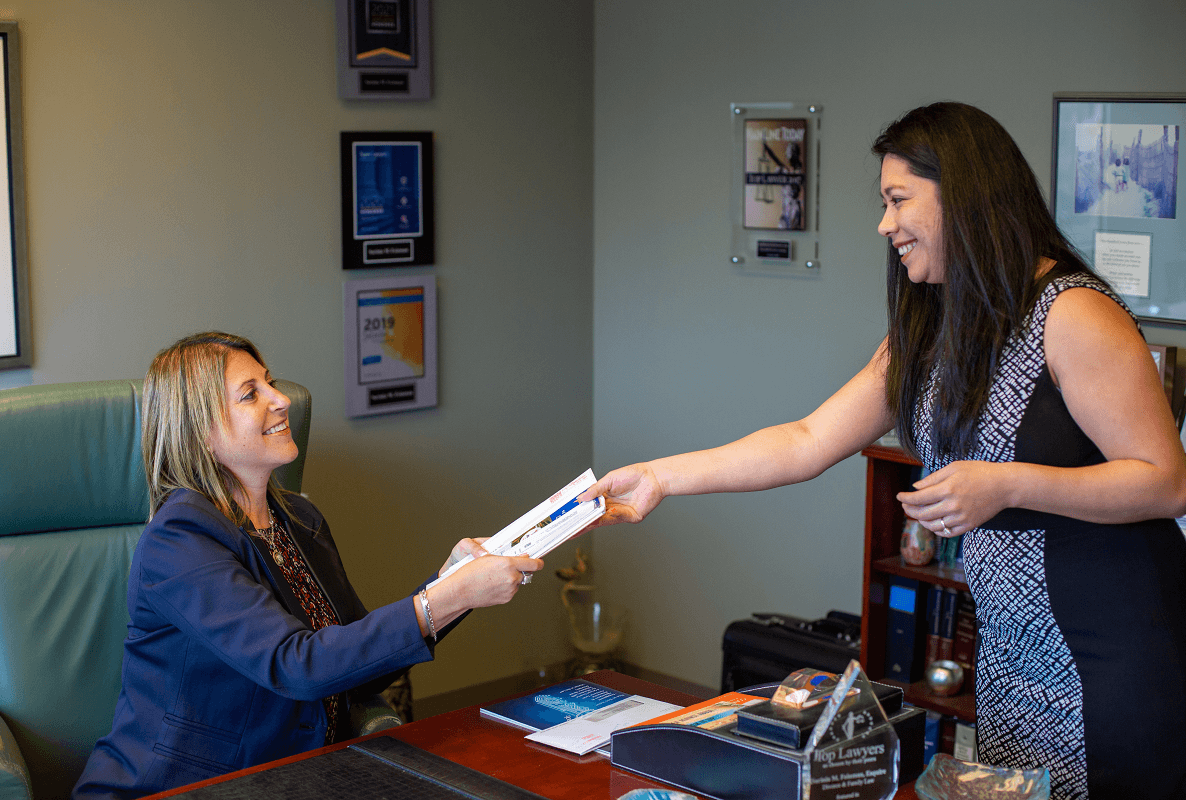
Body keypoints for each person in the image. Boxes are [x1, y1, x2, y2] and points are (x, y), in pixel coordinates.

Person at [580, 103, 1186, 800]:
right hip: (1012, 659)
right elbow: (807, 440)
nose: (885, 225)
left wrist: (1009, 485)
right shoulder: (930, 330)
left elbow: (1167, 482)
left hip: (1111, 655)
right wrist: (659, 477)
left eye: (898, 200)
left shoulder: (1074, 313)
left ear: (963, 195)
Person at [74, 332, 543, 799]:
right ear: (201, 431)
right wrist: (451, 595)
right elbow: (295, 664)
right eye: (251, 394)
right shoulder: (179, 539)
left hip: (297, 776)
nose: (281, 401)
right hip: (182, 788)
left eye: (270, 383)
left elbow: (361, 664)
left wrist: (451, 584)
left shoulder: (299, 519)